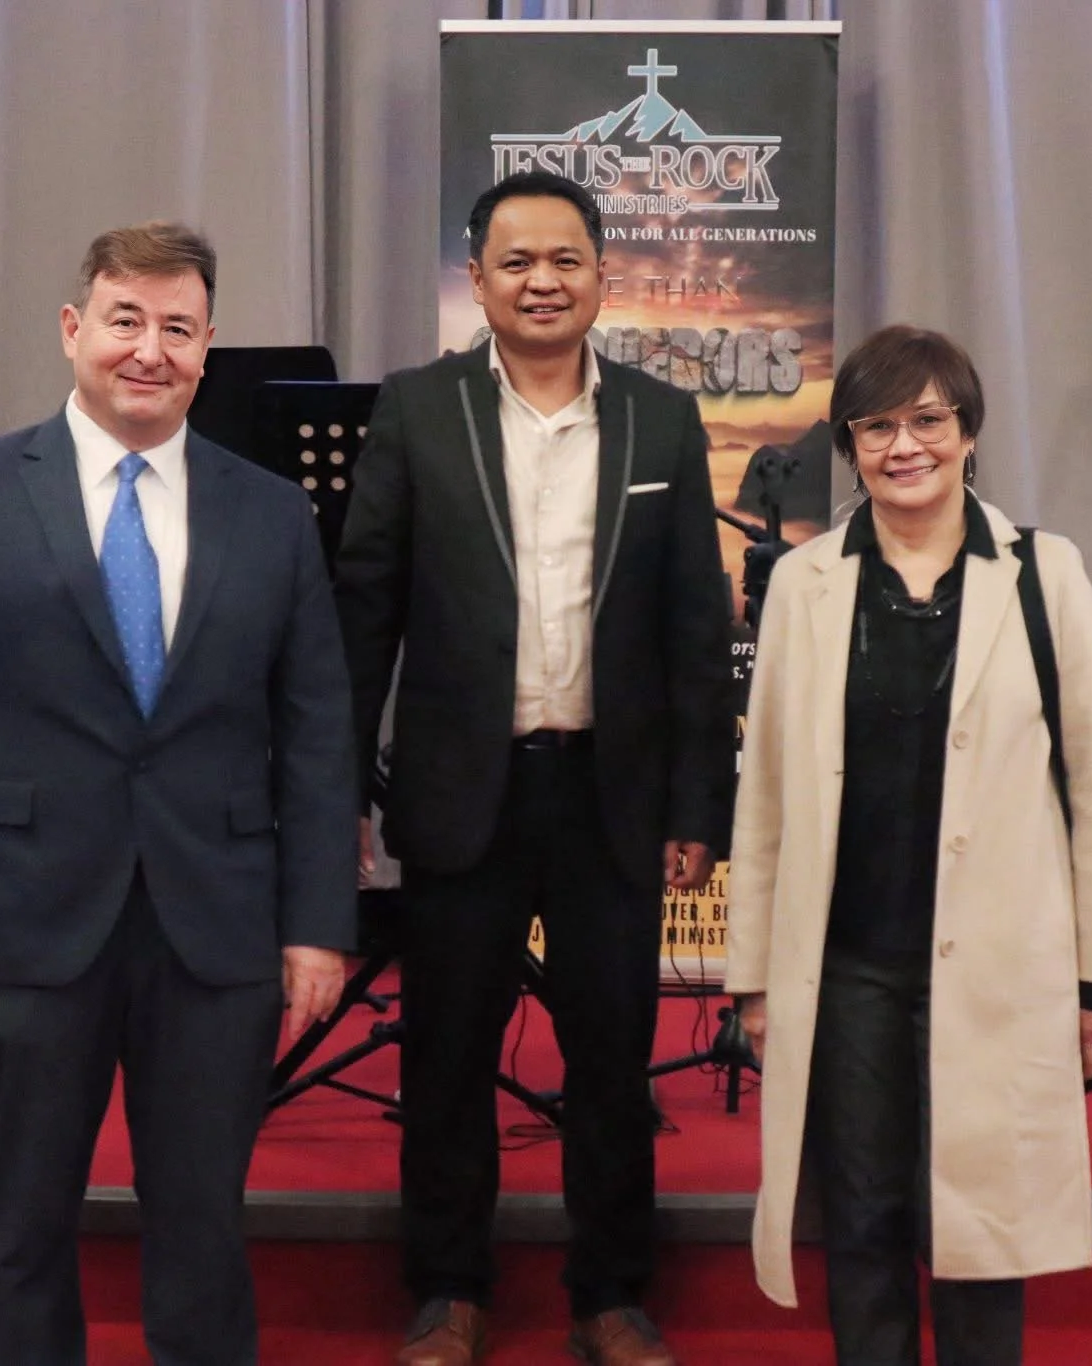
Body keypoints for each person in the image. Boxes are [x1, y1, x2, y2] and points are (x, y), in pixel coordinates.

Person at [0, 221, 355, 1366]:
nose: (149, 350)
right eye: (125, 320)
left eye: (177, 327)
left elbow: (317, 733)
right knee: (21, 1228)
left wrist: (320, 922)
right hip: (16, 922)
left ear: (208, 347)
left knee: (203, 1228)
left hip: (213, 928)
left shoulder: (269, 513)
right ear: (74, 330)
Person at [335, 170, 734, 1366]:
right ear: (479, 281)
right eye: (516, 262)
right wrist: (341, 789)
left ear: (603, 276)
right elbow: (365, 613)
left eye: (565, 259)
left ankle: (609, 1296)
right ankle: (447, 1292)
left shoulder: (661, 421)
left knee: (611, 1062)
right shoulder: (418, 410)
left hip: (610, 797)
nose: (542, 281)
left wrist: (695, 803)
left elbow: (691, 632)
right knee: (445, 1056)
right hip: (462, 793)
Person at [721, 324, 1092, 1365]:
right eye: (875, 426)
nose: (901, 445)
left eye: (925, 420)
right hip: (848, 965)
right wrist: (752, 981)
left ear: (965, 433)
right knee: (860, 1223)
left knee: (976, 1232)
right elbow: (766, 800)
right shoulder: (803, 584)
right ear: (848, 442)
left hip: (1000, 968)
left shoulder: (1043, 577)